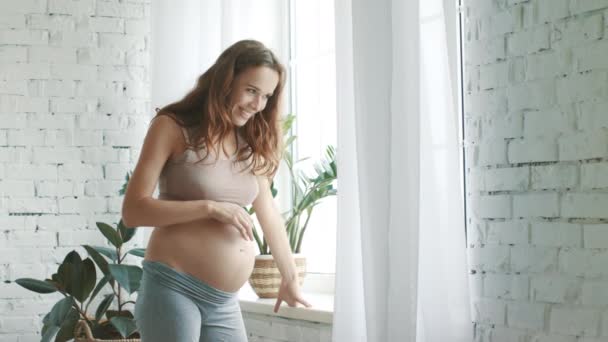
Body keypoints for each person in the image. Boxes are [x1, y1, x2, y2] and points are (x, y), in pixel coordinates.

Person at [122, 39, 311, 342]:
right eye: (251, 90)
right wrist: (210, 207)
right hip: (173, 287)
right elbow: (133, 210)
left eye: (266, 96)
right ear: (225, 79)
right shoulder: (172, 127)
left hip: (224, 301)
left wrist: (290, 278)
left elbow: (269, 215)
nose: (257, 104)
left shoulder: (250, 143)